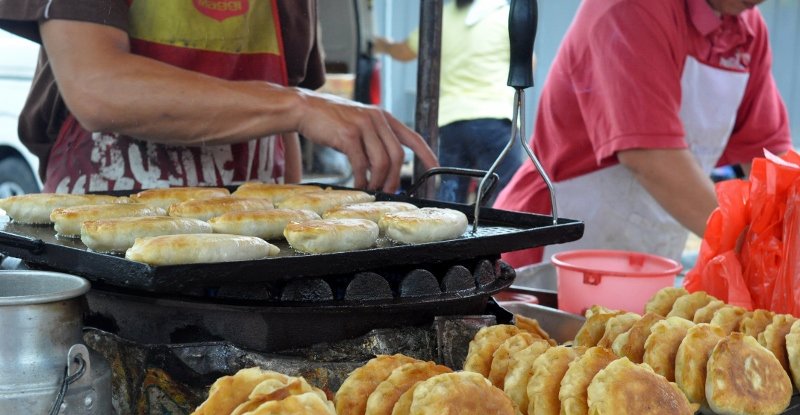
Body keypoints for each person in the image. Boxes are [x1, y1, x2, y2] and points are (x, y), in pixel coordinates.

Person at [0, 1, 438, 194]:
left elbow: (284, 126)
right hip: (111, 252)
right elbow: (96, 88)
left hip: (254, 253)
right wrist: (298, 106)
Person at [494, 0, 793, 268]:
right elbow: (650, 156)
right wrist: (753, 245)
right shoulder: (630, 7)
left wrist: (792, 231)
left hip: (648, 261)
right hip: (551, 251)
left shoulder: (748, 27)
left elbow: (771, 159)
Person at [374, 0, 522, 204]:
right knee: (506, 197)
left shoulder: (439, 19)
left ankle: (449, 233)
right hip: (494, 121)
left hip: (452, 123)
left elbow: (404, 51)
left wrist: (383, 45)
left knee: (450, 200)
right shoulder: (505, 15)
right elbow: (526, 62)